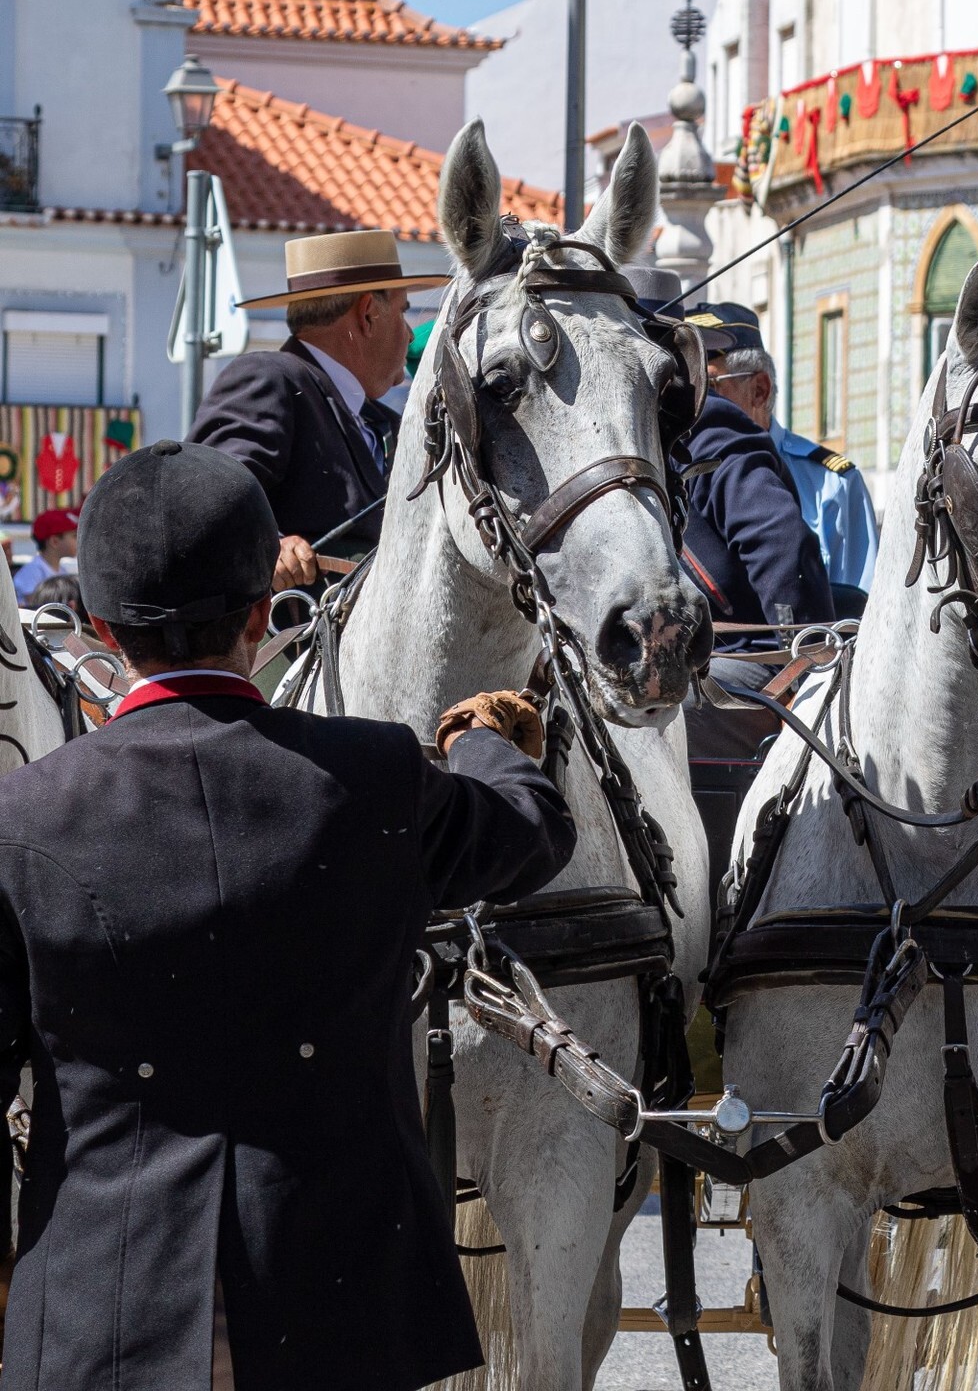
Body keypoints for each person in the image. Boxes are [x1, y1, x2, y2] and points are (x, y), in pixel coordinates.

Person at [0, 439, 575, 1389]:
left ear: (100, 628)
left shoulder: (20, 821)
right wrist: (479, 743)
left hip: (107, 1317)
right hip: (336, 1304)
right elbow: (532, 833)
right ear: (265, 615)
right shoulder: (378, 777)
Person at [193, 229, 445, 590]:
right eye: (403, 312)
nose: (409, 334)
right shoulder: (270, 378)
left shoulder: (384, 422)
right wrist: (270, 544)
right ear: (369, 314)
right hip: (290, 641)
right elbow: (208, 498)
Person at [687, 299, 882, 614]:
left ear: (759, 391)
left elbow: (861, 615)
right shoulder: (673, 475)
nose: (692, 404)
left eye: (708, 388)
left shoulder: (832, 485)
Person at [11, 508, 75, 599]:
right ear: (54, 541)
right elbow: (33, 604)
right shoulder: (33, 571)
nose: (78, 541)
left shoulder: (62, 570)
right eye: (74, 536)